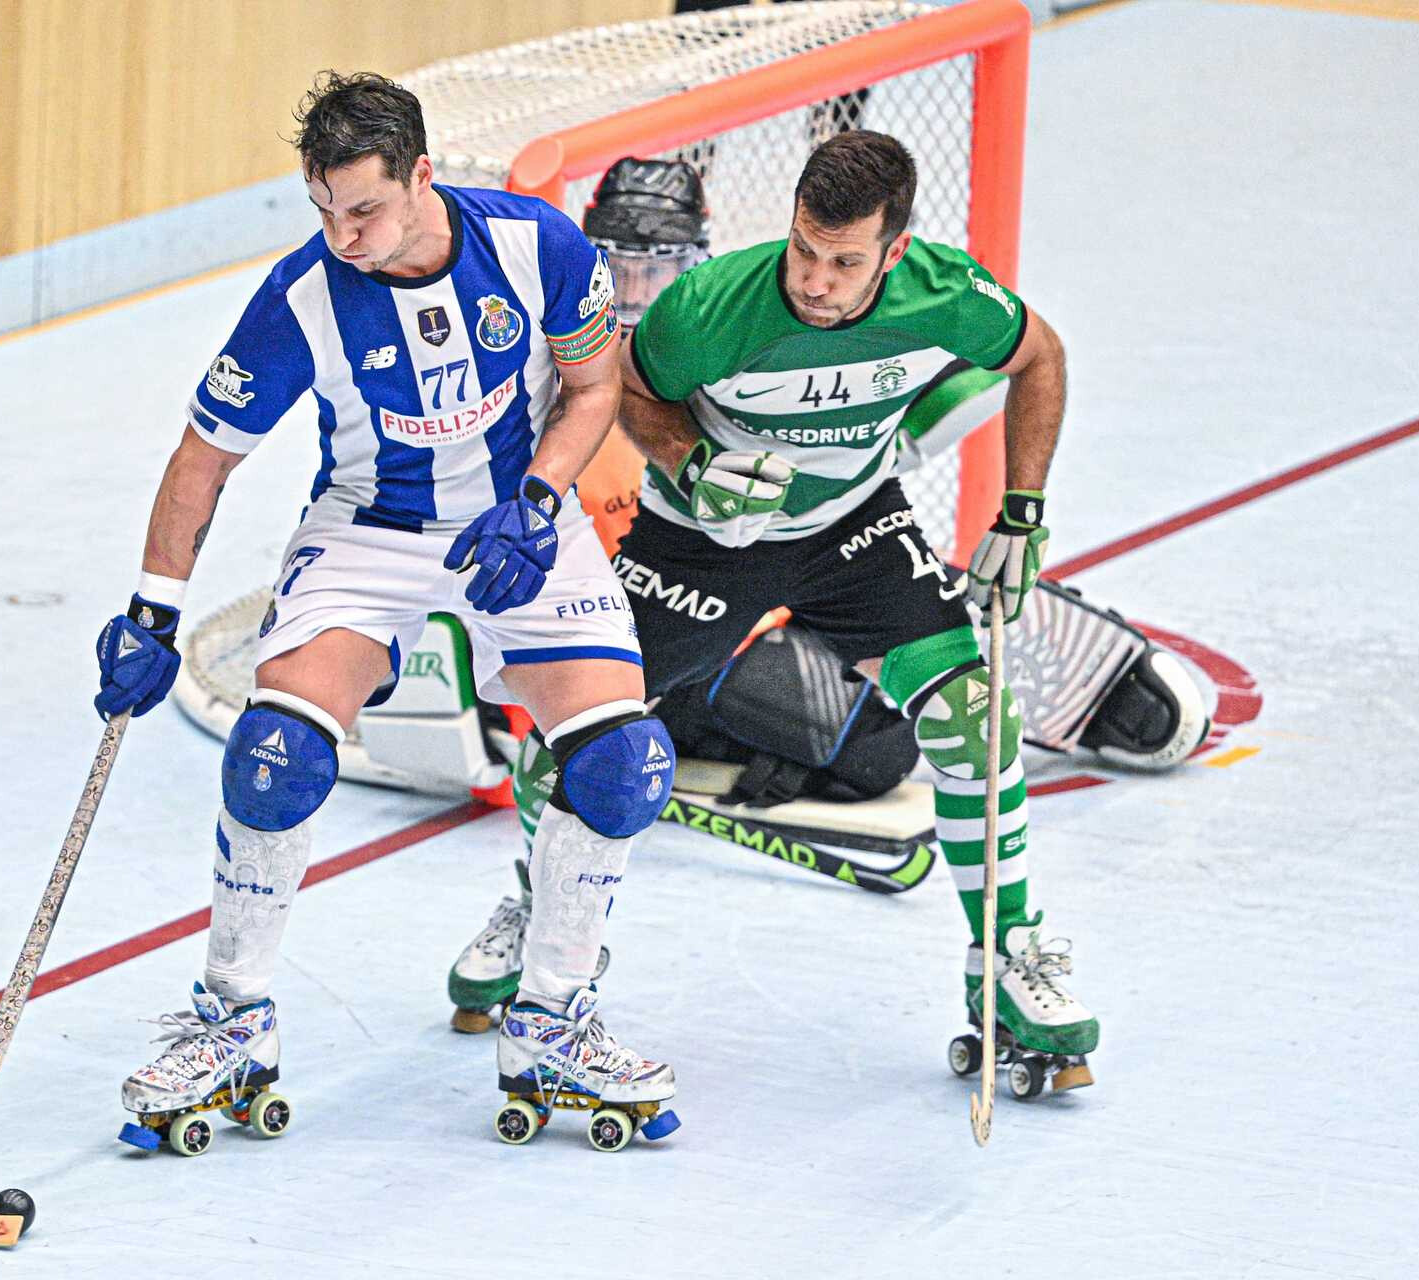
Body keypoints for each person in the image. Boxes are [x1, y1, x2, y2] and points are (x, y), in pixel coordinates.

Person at [92, 71, 679, 1154]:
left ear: (420, 176)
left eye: (363, 210)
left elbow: (596, 388)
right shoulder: (302, 297)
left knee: (622, 763)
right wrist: (151, 609)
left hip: (522, 523)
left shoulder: (535, 244)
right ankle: (234, 1020)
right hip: (372, 529)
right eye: (323, 211)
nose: (344, 236)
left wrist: (541, 502)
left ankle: (551, 1017)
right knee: (273, 752)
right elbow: (201, 459)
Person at [452, 132, 1100, 1094]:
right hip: (701, 542)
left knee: (975, 721)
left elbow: (1040, 357)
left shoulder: (947, 295)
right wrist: (692, 464)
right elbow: (628, 387)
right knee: (582, 737)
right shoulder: (711, 310)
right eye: (805, 250)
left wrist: (1024, 510)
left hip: (853, 529)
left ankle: (1006, 959)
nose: (818, 281)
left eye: (845, 263)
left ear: (894, 251)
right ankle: (537, 917)